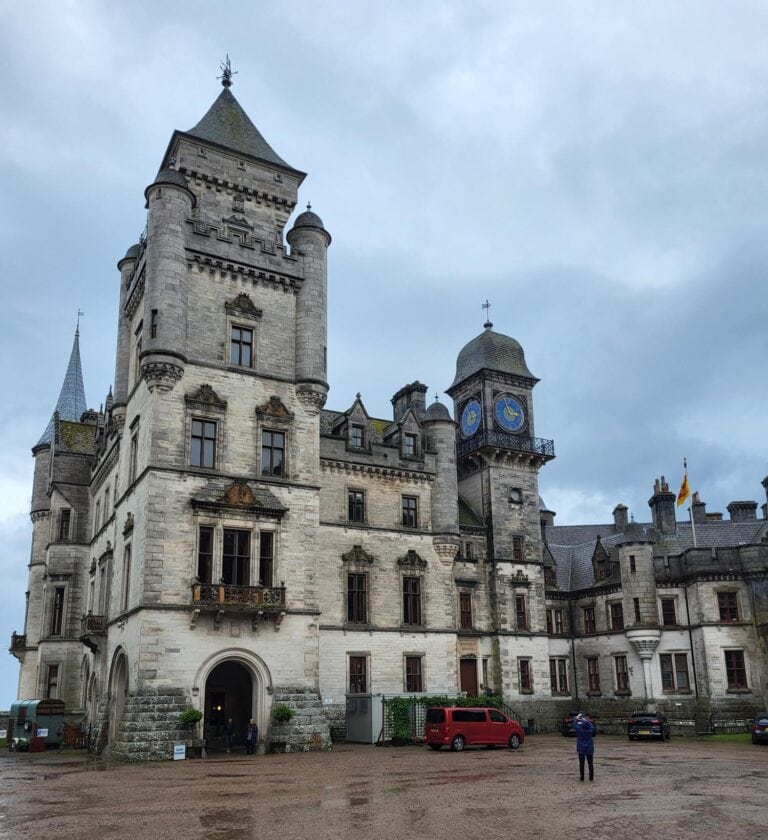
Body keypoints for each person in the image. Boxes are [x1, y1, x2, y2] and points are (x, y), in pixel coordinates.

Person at [574, 712, 596, 781]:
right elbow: (592, 726)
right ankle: (591, 777)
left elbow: (574, 724)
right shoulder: (590, 729)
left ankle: (582, 777)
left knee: (581, 763)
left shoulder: (580, 729)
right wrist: (587, 720)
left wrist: (577, 718)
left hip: (581, 748)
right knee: (590, 763)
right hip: (589, 747)